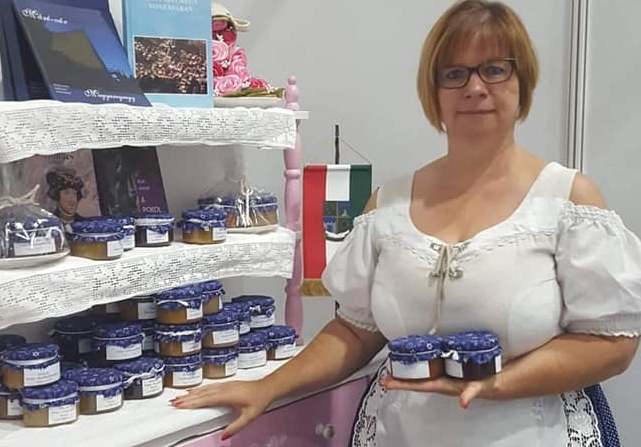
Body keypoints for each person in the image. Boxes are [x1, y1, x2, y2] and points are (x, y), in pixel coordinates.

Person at [171, 1, 641, 445]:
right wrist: (267, 387)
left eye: (495, 69)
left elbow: (612, 344)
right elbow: (355, 331)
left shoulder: (566, 200)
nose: (475, 88)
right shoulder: (389, 205)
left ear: (524, 83)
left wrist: (497, 383)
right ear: (433, 92)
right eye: (454, 74)